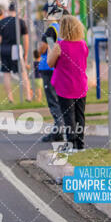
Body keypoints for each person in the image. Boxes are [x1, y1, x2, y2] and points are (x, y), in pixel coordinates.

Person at [47, 15, 88, 151]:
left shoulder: (59, 46)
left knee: (68, 116)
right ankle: (80, 144)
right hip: (81, 85)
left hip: (65, 86)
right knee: (80, 115)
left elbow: (50, 63)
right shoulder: (83, 45)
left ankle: (71, 145)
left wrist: (50, 50)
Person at [0, 3, 32, 103]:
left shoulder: (1, 22)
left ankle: (10, 98)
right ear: (17, 11)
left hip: (4, 49)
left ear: (8, 10)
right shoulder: (21, 22)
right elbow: (26, 39)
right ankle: (28, 96)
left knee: (6, 74)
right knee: (22, 73)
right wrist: (25, 54)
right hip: (16, 49)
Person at [37, 5, 66, 142]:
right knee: (59, 100)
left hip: (49, 69)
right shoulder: (61, 28)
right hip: (59, 67)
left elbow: (44, 48)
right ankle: (59, 129)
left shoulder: (50, 29)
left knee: (53, 100)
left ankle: (58, 131)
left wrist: (38, 49)